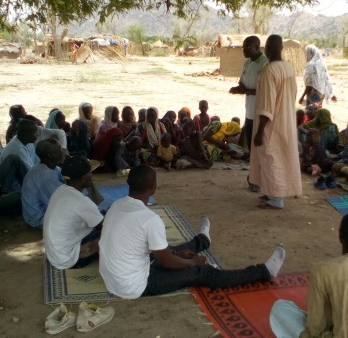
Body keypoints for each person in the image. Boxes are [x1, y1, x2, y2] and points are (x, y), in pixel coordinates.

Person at [99, 165, 285, 298]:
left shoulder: (116, 206)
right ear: (153, 187)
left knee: (171, 251)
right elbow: (165, 260)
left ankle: (203, 240)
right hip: (134, 285)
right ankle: (264, 272)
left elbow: (160, 252)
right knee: (203, 272)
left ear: (128, 184)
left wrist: (177, 254)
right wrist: (193, 263)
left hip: (113, 280)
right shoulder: (150, 219)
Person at [249, 35, 303, 209]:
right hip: (285, 119)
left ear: (268, 48)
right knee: (281, 158)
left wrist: (259, 131)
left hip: (271, 123)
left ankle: (276, 199)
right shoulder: (288, 68)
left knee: (270, 157)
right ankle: (271, 191)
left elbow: (267, 104)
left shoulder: (269, 71)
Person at [43, 156, 104, 270]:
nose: (92, 175)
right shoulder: (82, 202)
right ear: (83, 178)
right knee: (116, 234)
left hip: (55, 254)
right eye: (90, 173)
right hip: (68, 259)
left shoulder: (61, 190)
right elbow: (106, 226)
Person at [229, 36, 269, 150]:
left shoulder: (265, 63)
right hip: (249, 110)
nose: (244, 50)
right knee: (251, 141)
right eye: (243, 47)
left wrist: (246, 91)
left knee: (260, 143)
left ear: (257, 47)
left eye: (247, 47)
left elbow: (266, 89)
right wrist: (238, 89)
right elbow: (242, 82)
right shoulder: (247, 62)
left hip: (261, 110)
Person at [21, 138, 66, 228]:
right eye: (59, 150)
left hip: (43, 208)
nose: (63, 152)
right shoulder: (45, 175)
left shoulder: (50, 167)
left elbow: (65, 178)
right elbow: (60, 199)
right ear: (49, 155)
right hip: (37, 217)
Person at [0, 119, 39, 192]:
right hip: (15, 186)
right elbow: (28, 174)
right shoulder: (16, 149)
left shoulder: (28, 142)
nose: (37, 135)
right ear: (26, 134)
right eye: (34, 133)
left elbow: (37, 162)